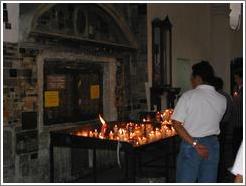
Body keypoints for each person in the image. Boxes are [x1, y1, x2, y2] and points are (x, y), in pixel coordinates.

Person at [171, 61, 227, 183]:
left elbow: (176, 124)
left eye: (192, 77)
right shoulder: (222, 99)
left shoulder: (188, 96)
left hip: (191, 144)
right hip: (212, 144)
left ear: (198, 77)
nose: (191, 80)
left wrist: (195, 144)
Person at [213, 77, 233, 182]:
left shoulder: (218, 96)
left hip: (219, 124)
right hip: (225, 124)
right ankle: (222, 170)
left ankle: (219, 172)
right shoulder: (227, 96)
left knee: (217, 149)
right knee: (222, 149)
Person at [232, 69, 243, 158]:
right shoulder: (235, 87)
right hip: (236, 117)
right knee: (236, 138)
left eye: (237, 78)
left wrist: (238, 98)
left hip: (242, 116)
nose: (235, 80)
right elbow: (235, 99)